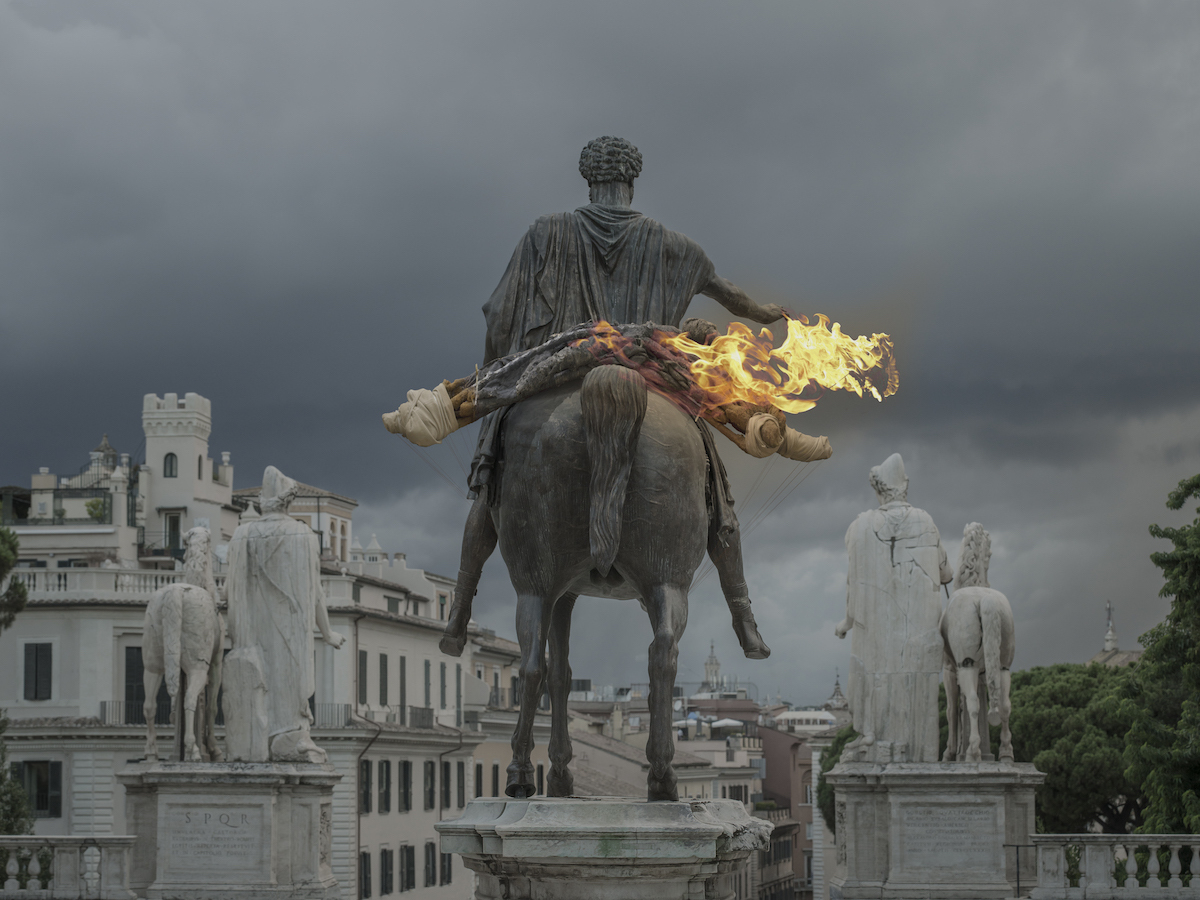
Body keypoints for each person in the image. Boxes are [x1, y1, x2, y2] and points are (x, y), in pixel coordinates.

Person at [440, 136, 786, 661]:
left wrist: (499, 379)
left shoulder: (545, 233)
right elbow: (730, 294)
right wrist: (763, 312)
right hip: (656, 378)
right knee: (717, 497)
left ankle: (460, 612)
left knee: (488, 488)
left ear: (588, 177)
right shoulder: (678, 247)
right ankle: (744, 619)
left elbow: (499, 312)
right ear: (632, 178)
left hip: (550, 374)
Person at [835, 453, 952, 764]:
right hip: (920, 634)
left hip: (874, 631)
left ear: (878, 490)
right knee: (918, 690)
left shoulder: (860, 527)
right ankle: (921, 754)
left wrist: (847, 620)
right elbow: (946, 574)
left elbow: (852, 581)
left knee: (875, 679)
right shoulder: (925, 521)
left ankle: (875, 738)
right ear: (906, 486)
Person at [225, 466, 346, 763]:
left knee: (260, 681)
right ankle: (290, 738)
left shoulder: (242, 535)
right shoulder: (303, 534)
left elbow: (231, 591)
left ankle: (257, 740)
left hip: (252, 629)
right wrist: (327, 633)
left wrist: (235, 632)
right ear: (288, 501)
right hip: (291, 624)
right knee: (290, 680)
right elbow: (315, 590)